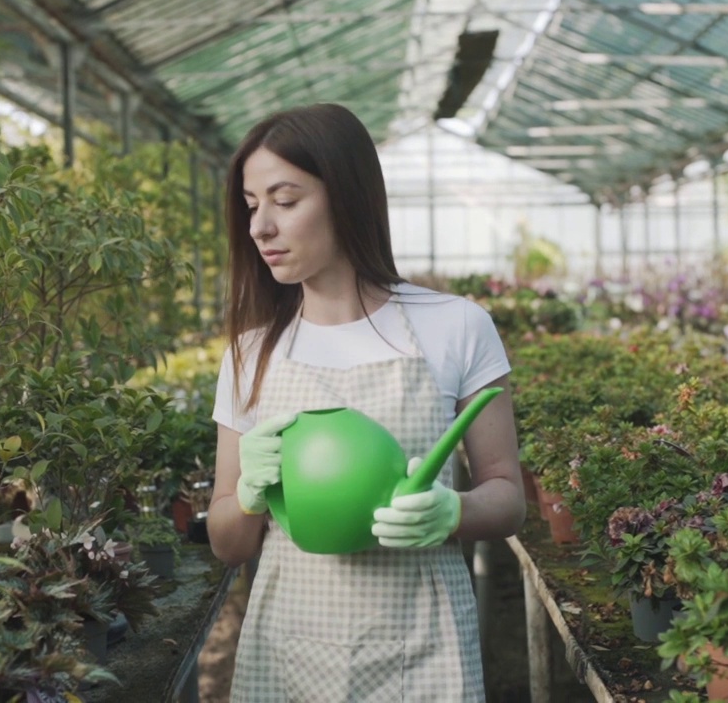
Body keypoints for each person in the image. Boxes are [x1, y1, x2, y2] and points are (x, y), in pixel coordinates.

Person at [209, 103, 524, 702]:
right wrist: (249, 493)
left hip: (422, 642)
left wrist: (452, 512)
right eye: (252, 205)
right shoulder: (251, 355)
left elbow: (507, 497)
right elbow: (229, 544)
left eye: (286, 199)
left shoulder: (455, 326)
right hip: (289, 648)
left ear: (347, 196)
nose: (260, 228)